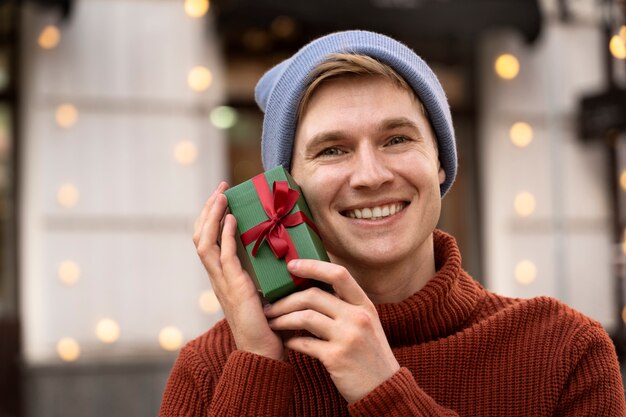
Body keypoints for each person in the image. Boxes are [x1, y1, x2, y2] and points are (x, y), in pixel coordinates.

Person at [159, 30, 626, 416]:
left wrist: (384, 391)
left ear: (440, 162)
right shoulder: (214, 368)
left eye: (397, 138)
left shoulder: (564, 350)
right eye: (332, 150)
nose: (371, 175)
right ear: (287, 187)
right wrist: (258, 365)